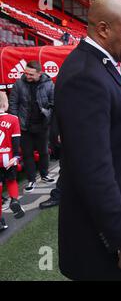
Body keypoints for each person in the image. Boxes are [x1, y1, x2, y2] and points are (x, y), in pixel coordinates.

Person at [54, 0, 121, 281]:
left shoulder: (100, 65)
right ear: (103, 29)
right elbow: (92, 169)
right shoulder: (85, 75)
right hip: (103, 244)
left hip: (111, 233)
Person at [9, 60, 55, 193]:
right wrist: (16, 122)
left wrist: (48, 115)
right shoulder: (19, 83)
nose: (27, 76)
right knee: (27, 155)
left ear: (39, 73)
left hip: (42, 125)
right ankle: (31, 180)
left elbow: (53, 103)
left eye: (31, 74)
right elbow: (13, 104)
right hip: (24, 127)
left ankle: (45, 174)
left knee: (44, 152)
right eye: (26, 73)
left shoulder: (49, 84)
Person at [0, 92, 25, 231]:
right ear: (5, 104)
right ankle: (14, 200)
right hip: (7, 158)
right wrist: (16, 157)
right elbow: (16, 142)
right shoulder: (13, 119)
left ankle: (0, 221)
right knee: (11, 181)